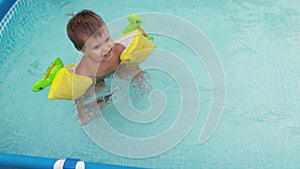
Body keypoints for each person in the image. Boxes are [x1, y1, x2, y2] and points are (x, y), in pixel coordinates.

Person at [66, 9, 142, 125]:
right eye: (97, 47)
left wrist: (140, 78)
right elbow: (78, 96)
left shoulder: (118, 50)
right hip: (96, 79)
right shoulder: (84, 70)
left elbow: (133, 65)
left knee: (125, 72)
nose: (106, 48)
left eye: (107, 39)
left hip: (117, 69)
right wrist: (81, 113)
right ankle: (108, 98)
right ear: (83, 50)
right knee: (92, 96)